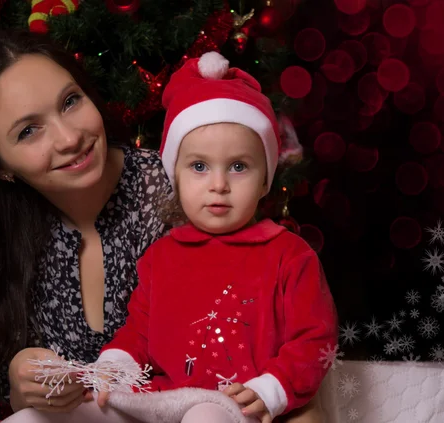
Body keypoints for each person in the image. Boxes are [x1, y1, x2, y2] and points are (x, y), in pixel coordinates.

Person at [0, 29, 325, 422]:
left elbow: (290, 344)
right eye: (28, 131)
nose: (68, 137)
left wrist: (273, 395)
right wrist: (26, 382)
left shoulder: (192, 187)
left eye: (70, 101)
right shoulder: (6, 236)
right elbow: (30, 402)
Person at [92, 52, 338, 423]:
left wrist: (272, 388)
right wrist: (114, 365)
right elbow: (138, 335)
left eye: (239, 166)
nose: (219, 185)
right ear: (176, 176)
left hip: (242, 409)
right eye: (199, 166)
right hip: (164, 404)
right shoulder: (160, 258)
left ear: (264, 181)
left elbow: (314, 338)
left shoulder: (290, 255)